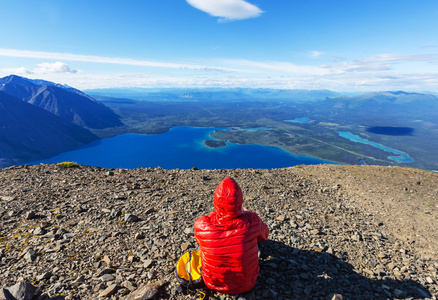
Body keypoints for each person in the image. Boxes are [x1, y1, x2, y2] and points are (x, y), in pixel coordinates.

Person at [194, 177, 269, 294]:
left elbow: (199, 239)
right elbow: (265, 235)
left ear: (216, 201)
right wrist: (246, 214)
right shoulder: (252, 221)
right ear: (240, 200)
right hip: (247, 284)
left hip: (212, 283)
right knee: (253, 239)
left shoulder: (202, 225)